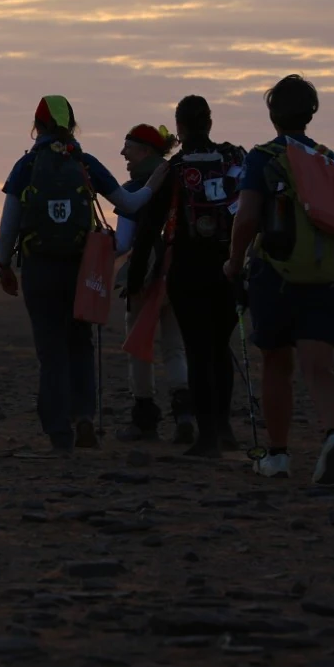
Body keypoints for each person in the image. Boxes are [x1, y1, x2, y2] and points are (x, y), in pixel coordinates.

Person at [0, 96, 168, 455]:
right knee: (80, 342)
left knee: (51, 350)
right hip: (80, 267)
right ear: (72, 126)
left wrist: (3, 266)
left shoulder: (26, 166)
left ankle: (60, 433)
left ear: (36, 127)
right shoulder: (85, 163)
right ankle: (85, 415)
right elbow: (131, 205)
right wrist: (155, 181)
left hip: (39, 268)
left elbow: (9, 225)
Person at [224, 74, 334, 486]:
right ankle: (333, 436)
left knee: (276, 365)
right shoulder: (329, 157)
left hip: (275, 276)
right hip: (325, 277)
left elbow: (246, 217)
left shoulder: (262, 158)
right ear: (311, 112)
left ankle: (278, 456)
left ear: (272, 113)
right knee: (320, 368)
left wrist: (233, 263)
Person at [157, 97, 247, 458]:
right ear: (210, 122)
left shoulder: (175, 168)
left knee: (197, 350)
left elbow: (151, 219)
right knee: (220, 346)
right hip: (229, 266)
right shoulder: (234, 160)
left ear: (179, 127)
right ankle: (224, 428)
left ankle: (206, 435)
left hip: (188, 269)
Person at [114, 123, 192, 443]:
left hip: (143, 280)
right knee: (175, 348)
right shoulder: (181, 182)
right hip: (178, 275)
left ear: (145, 151)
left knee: (139, 348)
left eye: (128, 147)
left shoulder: (132, 189)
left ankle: (144, 418)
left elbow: (122, 242)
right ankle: (185, 414)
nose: (123, 154)